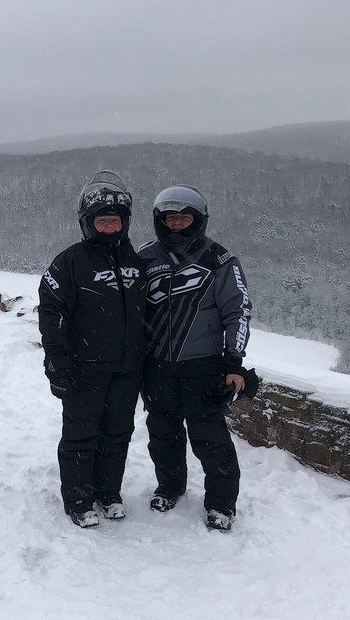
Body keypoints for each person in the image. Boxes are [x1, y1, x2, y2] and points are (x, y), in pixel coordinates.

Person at [136, 184, 255, 532]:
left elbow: (239, 311)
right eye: (170, 218)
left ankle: (221, 504)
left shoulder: (219, 260)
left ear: (198, 220)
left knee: (210, 437)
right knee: (162, 433)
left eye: (184, 218)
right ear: (160, 221)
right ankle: (170, 487)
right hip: (156, 365)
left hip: (203, 365)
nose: (176, 224)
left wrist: (234, 362)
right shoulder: (144, 258)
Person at [38, 170, 147, 528]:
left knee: (117, 433)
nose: (110, 228)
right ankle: (79, 498)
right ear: (87, 224)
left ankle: (108, 492)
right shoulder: (69, 263)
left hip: (127, 367)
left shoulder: (136, 261)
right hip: (84, 367)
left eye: (115, 221)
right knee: (81, 435)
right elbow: (52, 311)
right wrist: (57, 360)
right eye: (102, 221)